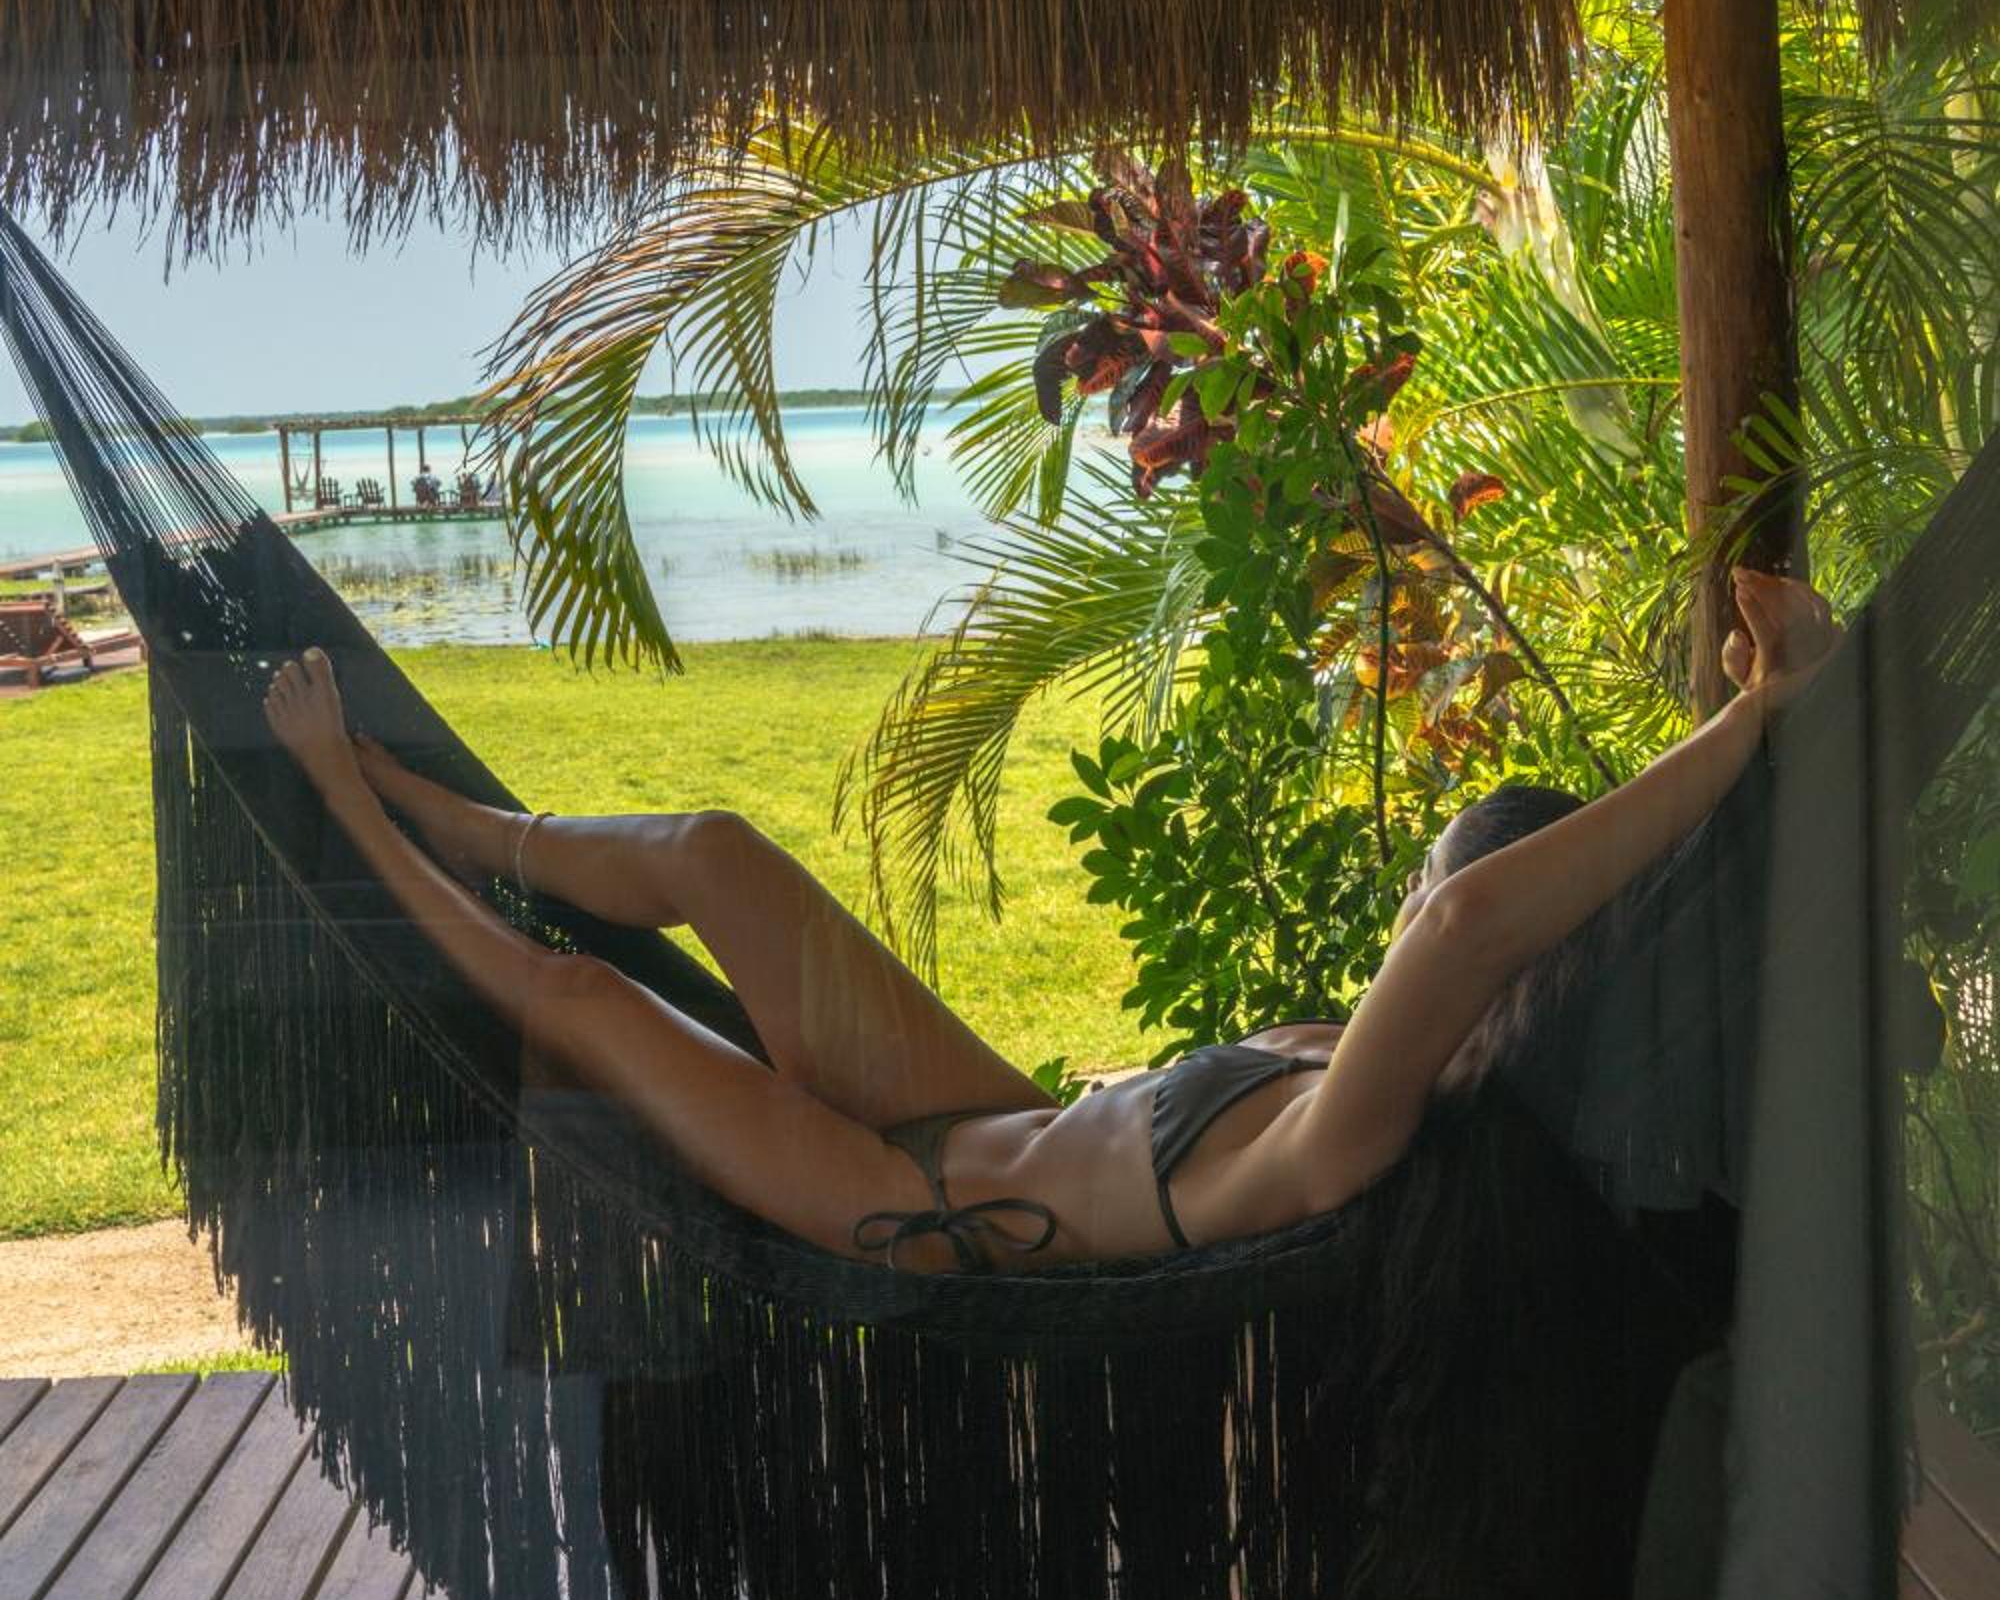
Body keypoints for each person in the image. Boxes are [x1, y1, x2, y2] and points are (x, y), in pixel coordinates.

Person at [262, 565, 1839, 1277]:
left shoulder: (1361, 1130)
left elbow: (1476, 920)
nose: (1425, 889)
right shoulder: (1345, 1052)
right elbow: (1492, 914)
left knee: (592, 1005)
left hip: (914, 1212)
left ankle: (354, 805)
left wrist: (1752, 721)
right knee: (718, 853)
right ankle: (453, 818)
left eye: (1438, 875)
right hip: (976, 1111)